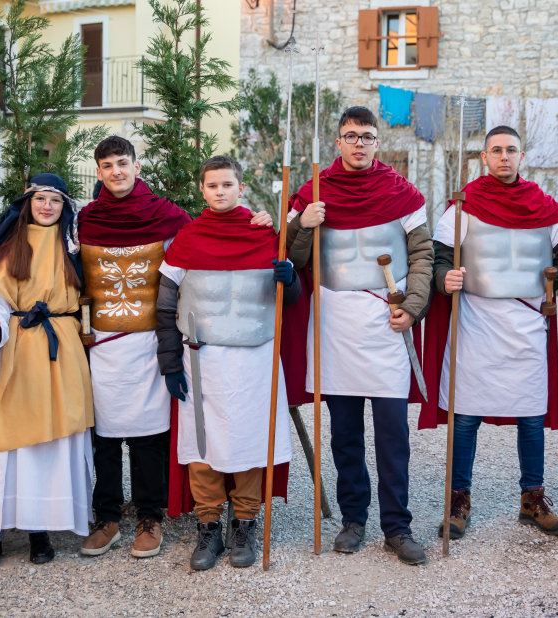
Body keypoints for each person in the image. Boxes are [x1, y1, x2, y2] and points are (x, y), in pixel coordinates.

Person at [283, 106, 434, 566]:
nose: (359, 144)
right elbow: (293, 260)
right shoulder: (312, 193)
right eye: (351, 136)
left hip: (387, 320)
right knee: (344, 434)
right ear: (338, 142)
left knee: (392, 434)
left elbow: (423, 255)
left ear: (376, 142)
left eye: (367, 136)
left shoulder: (402, 193)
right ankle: (353, 520)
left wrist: (414, 306)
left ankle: (397, 526)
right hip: (334, 322)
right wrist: (301, 225)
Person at [419, 126, 558, 540]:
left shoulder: (548, 208)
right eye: (497, 150)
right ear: (485, 158)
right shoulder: (462, 206)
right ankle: (458, 500)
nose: (504, 157)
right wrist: (444, 278)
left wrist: (541, 288)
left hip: (527, 323)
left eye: (511, 150)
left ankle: (533, 499)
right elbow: (438, 257)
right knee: (467, 414)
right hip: (475, 320)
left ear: (521, 156)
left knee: (530, 416)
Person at [155, 155, 296, 570]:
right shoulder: (187, 240)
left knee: (252, 439)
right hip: (202, 357)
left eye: (227, 185)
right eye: (212, 185)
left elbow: (293, 297)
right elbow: (165, 306)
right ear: (202, 190)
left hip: (257, 356)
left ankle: (246, 522)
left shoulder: (268, 236)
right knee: (202, 441)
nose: (220, 191)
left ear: (241, 187)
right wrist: (170, 362)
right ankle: (209, 526)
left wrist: (293, 278)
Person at [0, 173, 94, 571]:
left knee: (50, 448)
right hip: (14, 350)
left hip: (61, 350)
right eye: (40, 198)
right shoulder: (5, 249)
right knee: (5, 445)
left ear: (65, 206)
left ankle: (41, 529)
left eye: (56, 199)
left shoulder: (75, 248)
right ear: (26, 204)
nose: (47, 206)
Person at [75, 136, 190, 559]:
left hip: (148, 342)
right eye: (106, 165)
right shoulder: (85, 220)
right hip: (100, 343)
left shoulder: (168, 216)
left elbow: (203, 249)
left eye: (122, 163)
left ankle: (149, 517)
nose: (116, 172)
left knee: (148, 436)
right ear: (99, 172)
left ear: (137, 166)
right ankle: (106, 517)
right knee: (102, 436)